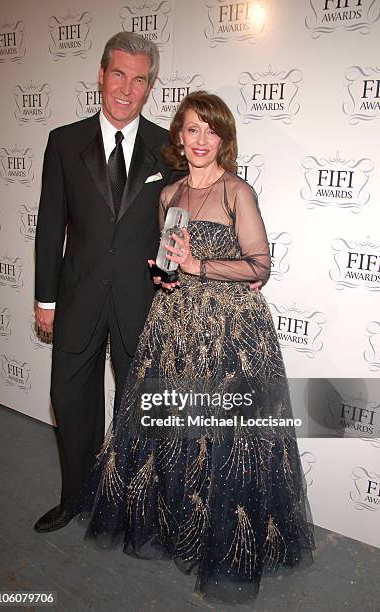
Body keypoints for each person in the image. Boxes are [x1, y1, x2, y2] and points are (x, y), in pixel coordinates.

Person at [76, 91, 315, 602]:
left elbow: (259, 266)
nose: (201, 140)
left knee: (226, 440)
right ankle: (177, 527)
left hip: (229, 331)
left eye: (211, 130)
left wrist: (198, 267)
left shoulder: (236, 192)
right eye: (191, 130)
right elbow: (170, 258)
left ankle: (226, 542)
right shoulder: (168, 195)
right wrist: (167, 275)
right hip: (176, 325)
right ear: (178, 139)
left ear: (223, 139)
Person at [34, 32, 178, 533]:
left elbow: (176, 223)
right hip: (77, 295)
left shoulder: (169, 148)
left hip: (142, 299)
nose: (126, 89)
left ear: (149, 86)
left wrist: (175, 275)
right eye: (118, 74)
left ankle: (130, 507)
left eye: (139, 80)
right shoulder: (64, 141)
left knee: (138, 406)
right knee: (71, 400)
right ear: (101, 74)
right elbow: (50, 224)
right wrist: (45, 298)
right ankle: (74, 497)